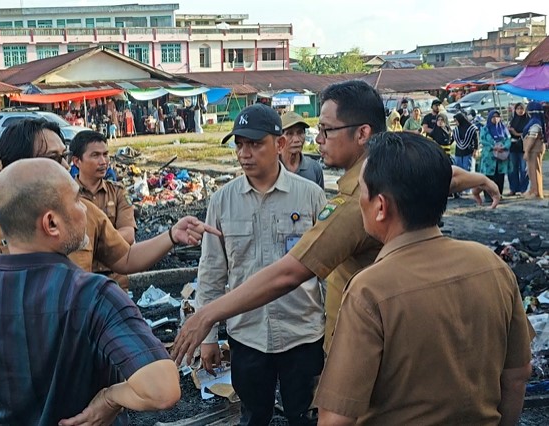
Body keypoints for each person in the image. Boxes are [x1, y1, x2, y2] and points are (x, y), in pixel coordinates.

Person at [171, 80, 502, 364]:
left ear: (362, 133)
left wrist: (207, 315)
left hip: (360, 342)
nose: (318, 140)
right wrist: (478, 178)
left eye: (327, 130)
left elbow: (288, 273)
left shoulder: (356, 203)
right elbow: (437, 173)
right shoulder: (396, 171)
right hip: (399, 330)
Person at [314, 131, 532, 425]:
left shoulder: (369, 289)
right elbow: (517, 376)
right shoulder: (492, 265)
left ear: (381, 206)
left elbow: (335, 419)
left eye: (362, 191)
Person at [0, 158, 180, 425]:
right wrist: (110, 398)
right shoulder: (94, 295)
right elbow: (162, 390)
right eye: (78, 200)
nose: (85, 209)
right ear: (51, 223)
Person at [0, 119, 218, 294]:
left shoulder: (83, 212)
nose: (65, 167)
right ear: (16, 167)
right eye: (53, 158)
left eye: (64, 157)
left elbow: (125, 258)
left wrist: (171, 235)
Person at [199, 104, 326, 425]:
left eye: (255, 144)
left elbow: (329, 270)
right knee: (254, 416)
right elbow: (212, 272)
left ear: (279, 144)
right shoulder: (222, 201)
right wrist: (209, 336)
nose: (245, 154)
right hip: (248, 335)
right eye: (239, 144)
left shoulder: (310, 196)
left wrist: (335, 330)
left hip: (303, 332)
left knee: (305, 416)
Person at [70, 130, 136, 291]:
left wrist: (88, 245)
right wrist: (110, 242)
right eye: (95, 155)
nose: (103, 161)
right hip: (80, 282)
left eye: (105, 155)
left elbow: (128, 234)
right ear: (77, 161)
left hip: (115, 281)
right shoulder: (67, 195)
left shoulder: (118, 192)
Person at [279, 111, 324, 188]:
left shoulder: (314, 168)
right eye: (290, 133)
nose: (296, 140)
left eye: (300, 133)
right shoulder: (271, 169)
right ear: (280, 139)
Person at [480, 110, 512, 198]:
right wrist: (492, 147)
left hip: (501, 156)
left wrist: (504, 147)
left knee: (500, 176)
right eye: (493, 117)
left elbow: (508, 139)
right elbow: (482, 140)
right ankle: (488, 196)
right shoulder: (485, 129)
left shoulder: (503, 128)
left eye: (497, 117)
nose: (495, 118)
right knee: (488, 177)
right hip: (489, 157)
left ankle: (498, 194)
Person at [523, 101, 546, 199]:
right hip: (535, 148)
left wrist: (526, 151)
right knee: (531, 170)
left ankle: (536, 192)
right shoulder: (537, 120)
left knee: (534, 170)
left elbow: (532, 137)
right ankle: (533, 190)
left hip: (534, 149)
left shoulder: (535, 122)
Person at [508, 103, 531, 195]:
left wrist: (516, 133)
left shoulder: (528, 120)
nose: (520, 111)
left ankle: (523, 189)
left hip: (524, 147)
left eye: (522, 109)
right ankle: (513, 188)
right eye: (518, 109)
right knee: (512, 169)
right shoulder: (513, 120)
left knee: (523, 169)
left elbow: (529, 133)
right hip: (513, 147)